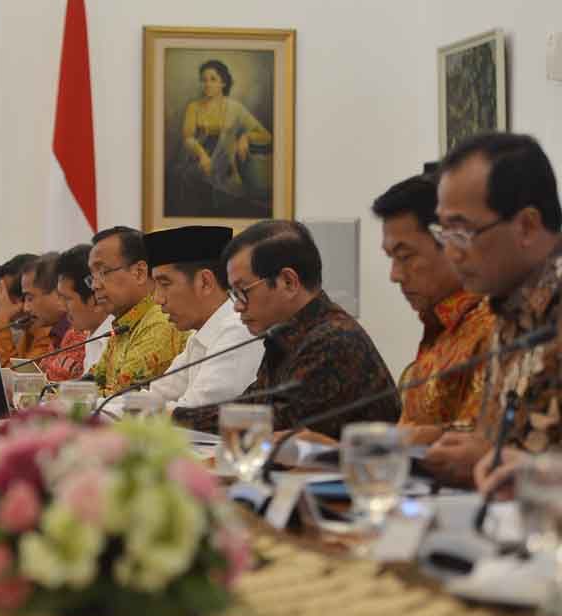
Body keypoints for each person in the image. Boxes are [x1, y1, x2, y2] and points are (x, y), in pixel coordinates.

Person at [415, 133, 562, 493]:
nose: (451, 253)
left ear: (526, 225)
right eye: (443, 233)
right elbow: (513, 433)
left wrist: (499, 463)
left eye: (463, 231)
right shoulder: (509, 304)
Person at [173, 220, 399, 437]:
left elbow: (270, 423)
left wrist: (172, 418)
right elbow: (250, 406)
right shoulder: (286, 334)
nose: (238, 306)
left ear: (288, 282)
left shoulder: (333, 340)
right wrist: (172, 417)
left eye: (243, 291)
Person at [373, 175, 494, 451]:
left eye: (405, 257)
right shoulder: (439, 326)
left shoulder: (495, 327)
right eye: (391, 258)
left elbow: (484, 441)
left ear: (453, 246)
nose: (395, 275)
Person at [132, 225, 262, 411]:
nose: (157, 299)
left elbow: (194, 413)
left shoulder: (238, 330)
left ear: (205, 282)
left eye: (165, 283)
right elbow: (157, 394)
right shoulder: (200, 334)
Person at [86, 226, 187, 395]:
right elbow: (91, 382)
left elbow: (120, 397)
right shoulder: (124, 323)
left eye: (103, 272)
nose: (95, 285)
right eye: (92, 276)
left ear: (139, 272)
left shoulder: (160, 321)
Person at [174, 59, 273, 218]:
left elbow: (266, 136)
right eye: (204, 80)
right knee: (188, 186)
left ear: (223, 83)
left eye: (213, 79)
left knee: (232, 203)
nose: (207, 84)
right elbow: (188, 138)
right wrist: (202, 155)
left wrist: (246, 137)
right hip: (197, 163)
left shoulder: (235, 108)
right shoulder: (194, 107)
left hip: (227, 167)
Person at [54, 243, 113, 375]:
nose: (61, 307)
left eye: (67, 299)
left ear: (96, 299)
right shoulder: (91, 334)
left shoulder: (116, 337)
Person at [19, 253, 74, 380]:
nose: (25, 308)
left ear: (57, 293)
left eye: (30, 298)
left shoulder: (80, 333)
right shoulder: (55, 334)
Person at [0, 254, 50, 366]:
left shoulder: (49, 333)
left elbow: (12, 378)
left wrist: (1, 320)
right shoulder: (29, 332)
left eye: (5, 298)